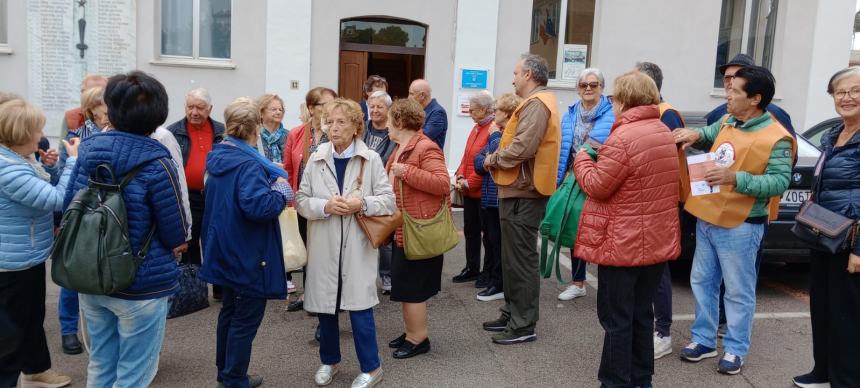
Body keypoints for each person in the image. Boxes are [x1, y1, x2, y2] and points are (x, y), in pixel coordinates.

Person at [65, 71, 189, 387]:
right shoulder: (158, 159)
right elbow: (174, 229)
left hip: (92, 274)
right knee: (134, 374)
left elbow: (70, 205)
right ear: (157, 115)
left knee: (101, 365)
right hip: (142, 280)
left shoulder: (89, 149)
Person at [673, 66, 795, 375]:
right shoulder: (729, 120)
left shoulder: (777, 137)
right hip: (708, 216)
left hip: (742, 224)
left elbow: (779, 182)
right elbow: (710, 135)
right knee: (702, 281)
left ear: (755, 99)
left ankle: (735, 348)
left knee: (738, 290)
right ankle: (703, 340)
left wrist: (733, 178)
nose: (727, 93)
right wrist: (695, 134)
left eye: (734, 90)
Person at [573, 70, 681, 388]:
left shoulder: (624, 137)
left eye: (613, 97)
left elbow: (597, 185)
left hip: (623, 243)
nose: (612, 103)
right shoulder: (661, 130)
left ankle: (615, 381)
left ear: (624, 99)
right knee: (640, 315)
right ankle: (641, 379)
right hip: (654, 240)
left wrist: (582, 159)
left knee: (616, 318)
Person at [296, 98, 395, 388]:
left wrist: (359, 203)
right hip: (324, 245)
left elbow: (388, 201)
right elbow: (301, 201)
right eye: (330, 122)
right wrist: (325, 207)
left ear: (356, 126)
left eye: (341, 122)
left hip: (357, 246)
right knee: (325, 307)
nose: (333, 128)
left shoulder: (371, 158)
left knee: (360, 308)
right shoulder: (316, 158)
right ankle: (330, 361)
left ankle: (372, 367)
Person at [199, 97, 293, 388]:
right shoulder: (248, 164)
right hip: (247, 252)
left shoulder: (220, 156)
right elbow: (259, 208)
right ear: (255, 128)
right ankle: (234, 378)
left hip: (225, 248)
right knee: (244, 319)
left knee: (230, 313)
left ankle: (225, 372)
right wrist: (279, 190)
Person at [481, 54, 561, 344]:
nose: (513, 78)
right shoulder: (536, 103)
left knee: (520, 261)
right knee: (512, 258)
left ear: (528, 74)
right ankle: (513, 313)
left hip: (524, 192)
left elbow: (523, 147)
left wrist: (494, 158)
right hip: (519, 189)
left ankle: (523, 324)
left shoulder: (538, 104)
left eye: (515, 73)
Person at [0, 98, 76, 388]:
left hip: (26, 257)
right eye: (36, 129)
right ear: (20, 132)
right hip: (10, 265)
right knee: (8, 335)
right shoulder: (7, 169)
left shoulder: (18, 159)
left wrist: (52, 167)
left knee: (32, 318)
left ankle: (36, 371)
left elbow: (43, 186)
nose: (41, 134)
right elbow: (56, 199)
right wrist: (73, 163)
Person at [792, 67, 860, 388]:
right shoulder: (835, 134)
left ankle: (846, 379)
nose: (847, 98)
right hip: (824, 232)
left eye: (855, 90)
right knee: (822, 308)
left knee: (847, 316)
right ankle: (823, 371)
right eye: (840, 92)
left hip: (851, 240)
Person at [384, 98, 451, 360]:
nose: (387, 125)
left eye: (390, 120)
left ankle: (418, 338)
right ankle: (411, 331)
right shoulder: (402, 146)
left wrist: (407, 172)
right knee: (404, 285)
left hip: (419, 231)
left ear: (400, 121)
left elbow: (442, 184)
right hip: (407, 228)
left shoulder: (425, 147)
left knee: (412, 288)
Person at [634, 61, 687, 360]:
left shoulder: (667, 114)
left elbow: (658, 158)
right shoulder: (655, 113)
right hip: (647, 202)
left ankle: (662, 332)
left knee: (658, 269)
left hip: (661, 202)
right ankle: (651, 328)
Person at [55, 85, 113, 355]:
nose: (109, 109)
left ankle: (97, 333)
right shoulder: (76, 137)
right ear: (92, 108)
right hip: (81, 214)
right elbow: (65, 177)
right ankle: (68, 329)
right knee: (73, 275)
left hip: (107, 216)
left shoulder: (116, 132)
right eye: (104, 104)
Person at [556, 67, 614, 302]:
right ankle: (578, 283)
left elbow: (597, 145)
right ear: (578, 88)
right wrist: (560, 177)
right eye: (583, 85)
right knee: (575, 229)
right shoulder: (570, 114)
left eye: (593, 85)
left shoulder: (610, 114)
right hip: (573, 178)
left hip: (599, 178)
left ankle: (608, 285)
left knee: (600, 230)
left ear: (601, 87)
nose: (588, 89)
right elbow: (563, 149)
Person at [166, 88, 225, 297]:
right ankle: (195, 291)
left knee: (216, 240)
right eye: (190, 107)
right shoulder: (173, 132)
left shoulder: (221, 131)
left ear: (210, 109)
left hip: (214, 195)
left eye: (199, 108)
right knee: (190, 243)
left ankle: (220, 288)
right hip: (188, 196)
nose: (194, 112)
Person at [282, 87, 337, 310]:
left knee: (328, 250)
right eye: (324, 104)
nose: (330, 108)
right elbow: (287, 169)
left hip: (330, 202)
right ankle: (308, 295)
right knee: (307, 248)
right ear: (312, 108)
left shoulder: (336, 131)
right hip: (304, 202)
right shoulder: (297, 133)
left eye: (333, 103)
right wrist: (289, 199)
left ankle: (329, 296)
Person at [474, 93, 523, 302]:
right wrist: (488, 161)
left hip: (500, 197)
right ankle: (494, 281)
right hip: (490, 198)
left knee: (499, 243)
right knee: (492, 241)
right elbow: (479, 161)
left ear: (509, 114)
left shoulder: (505, 135)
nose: (494, 114)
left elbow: (500, 157)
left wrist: (492, 149)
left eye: (498, 111)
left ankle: (500, 284)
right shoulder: (499, 132)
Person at [453, 91, 495, 286]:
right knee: (470, 231)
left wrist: (468, 182)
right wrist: (460, 175)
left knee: (487, 235)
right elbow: (466, 157)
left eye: (474, 109)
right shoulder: (476, 128)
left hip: (482, 192)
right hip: (469, 190)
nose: (469, 111)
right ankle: (471, 268)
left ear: (485, 109)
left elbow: (484, 165)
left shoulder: (491, 130)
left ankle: (486, 273)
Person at [705, 53, 794, 135]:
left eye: (736, 77)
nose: (731, 83)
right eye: (727, 78)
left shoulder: (776, 114)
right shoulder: (715, 115)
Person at [363, 90, 397, 294]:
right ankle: (364, 277)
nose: (374, 110)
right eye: (371, 106)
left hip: (384, 189)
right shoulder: (362, 130)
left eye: (379, 107)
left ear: (388, 109)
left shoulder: (394, 133)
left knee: (384, 235)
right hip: (361, 188)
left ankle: (387, 276)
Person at [59, 74, 107, 151]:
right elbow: (63, 149)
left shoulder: (117, 120)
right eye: (91, 93)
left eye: (99, 93)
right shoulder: (71, 116)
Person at [408, 79, 448, 149]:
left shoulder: (438, 112)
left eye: (411, 94)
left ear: (422, 95)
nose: (408, 97)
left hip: (429, 158)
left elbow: (424, 136)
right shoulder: (418, 110)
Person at [256, 94, 289, 164]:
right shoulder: (254, 136)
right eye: (274, 109)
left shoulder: (289, 136)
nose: (278, 112)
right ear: (261, 113)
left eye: (280, 110)